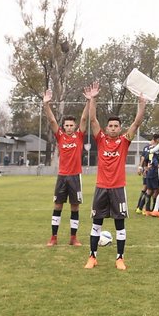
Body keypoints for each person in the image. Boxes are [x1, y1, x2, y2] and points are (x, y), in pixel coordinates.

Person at [85, 93, 147, 270]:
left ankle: (119, 258)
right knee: (97, 223)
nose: (113, 128)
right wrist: (93, 100)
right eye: (110, 126)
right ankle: (92, 257)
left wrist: (141, 105)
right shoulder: (101, 139)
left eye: (116, 126)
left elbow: (136, 123)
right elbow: (93, 120)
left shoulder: (124, 141)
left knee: (120, 224)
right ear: (107, 128)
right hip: (101, 188)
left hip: (118, 188)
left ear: (120, 128)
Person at [43, 84, 91, 246]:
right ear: (63, 127)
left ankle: (73, 238)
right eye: (67, 125)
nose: (69, 128)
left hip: (75, 177)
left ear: (75, 126)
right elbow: (51, 120)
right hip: (62, 177)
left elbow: (84, 119)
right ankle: (53, 237)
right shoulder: (60, 137)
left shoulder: (79, 136)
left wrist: (89, 101)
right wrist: (46, 104)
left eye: (72, 125)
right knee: (58, 206)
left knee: (75, 207)